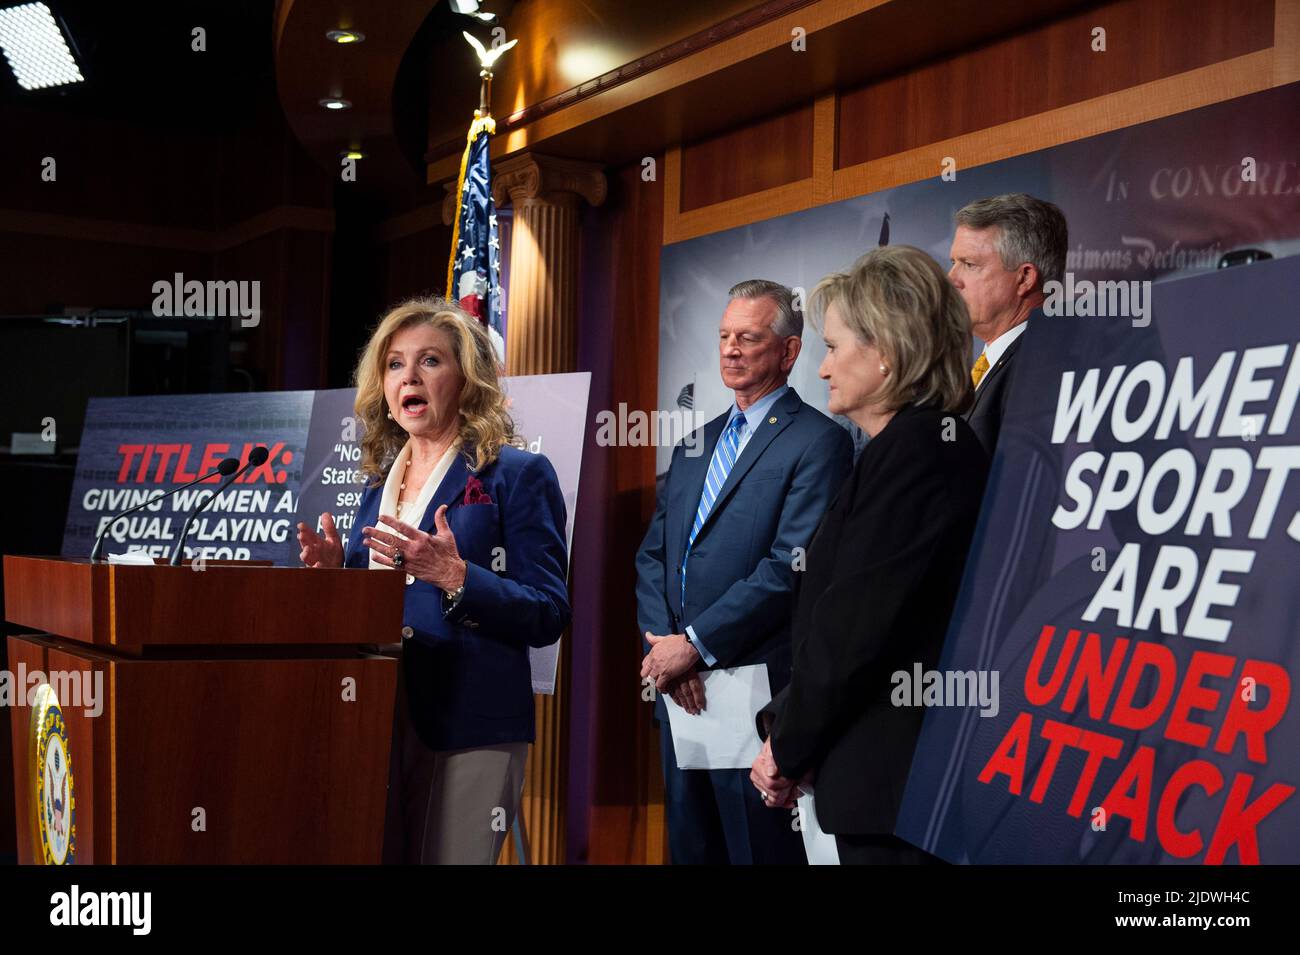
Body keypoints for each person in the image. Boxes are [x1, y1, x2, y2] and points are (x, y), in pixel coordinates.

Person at [295, 297, 570, 865]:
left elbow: (547, 611)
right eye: (395, 364)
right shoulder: (377, 488)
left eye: (430, 362)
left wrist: (457, 576)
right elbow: (373, 605)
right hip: (377, 718)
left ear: (467, 378)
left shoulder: (516, 475)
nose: (409, 378)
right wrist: (334, 579)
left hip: (470, 721)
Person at [749, 246, 988, 864]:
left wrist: (786, 746)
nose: (823, 369)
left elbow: (855, 628)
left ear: (885, 352)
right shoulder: (898, 451)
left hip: (902, 792)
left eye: (832, 348)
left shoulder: (921, 452)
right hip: (875, 785)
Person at [635, 279, 853, 865]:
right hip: (680, 695)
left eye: (749, 338)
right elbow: (652, 556)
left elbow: (791, 566)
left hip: (757, 697)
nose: (730, 349)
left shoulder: (820, 443)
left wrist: (697, 646)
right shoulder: (692, 446)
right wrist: (666, 650)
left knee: (755, 854)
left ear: (789, 352)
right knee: (691, 851)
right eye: (725, 336)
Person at [948, 193, 1068, 455]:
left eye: (969, 264)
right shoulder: (992, 363)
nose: (951, 279)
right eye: (953, 263)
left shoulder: (1042, 370)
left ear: (1025, 278)